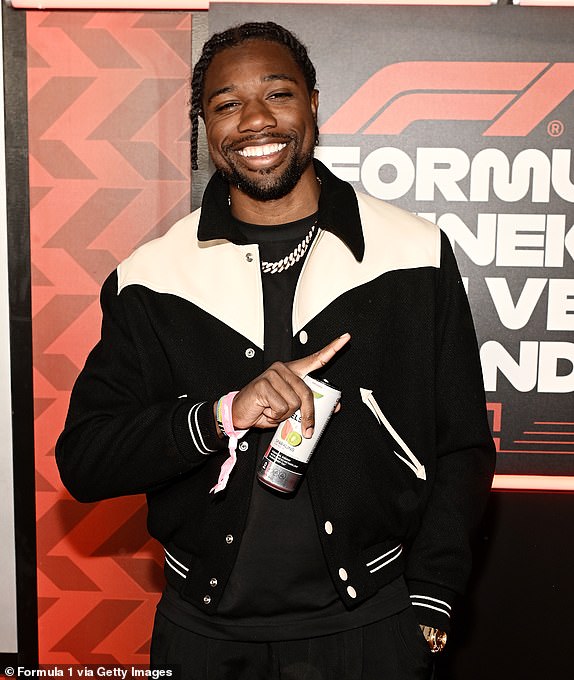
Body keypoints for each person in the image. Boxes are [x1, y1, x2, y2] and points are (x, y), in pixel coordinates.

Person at [56, 21, 496, 680]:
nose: (254, 120)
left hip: (371, 628)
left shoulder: (413, 252)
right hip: (202, 637)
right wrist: (220, 414)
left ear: (314, 103)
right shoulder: (151, 277)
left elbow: (461, 443)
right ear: (204, 126)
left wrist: (431, 595)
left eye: (277, 94)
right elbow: (86, 461)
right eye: (226, 104)